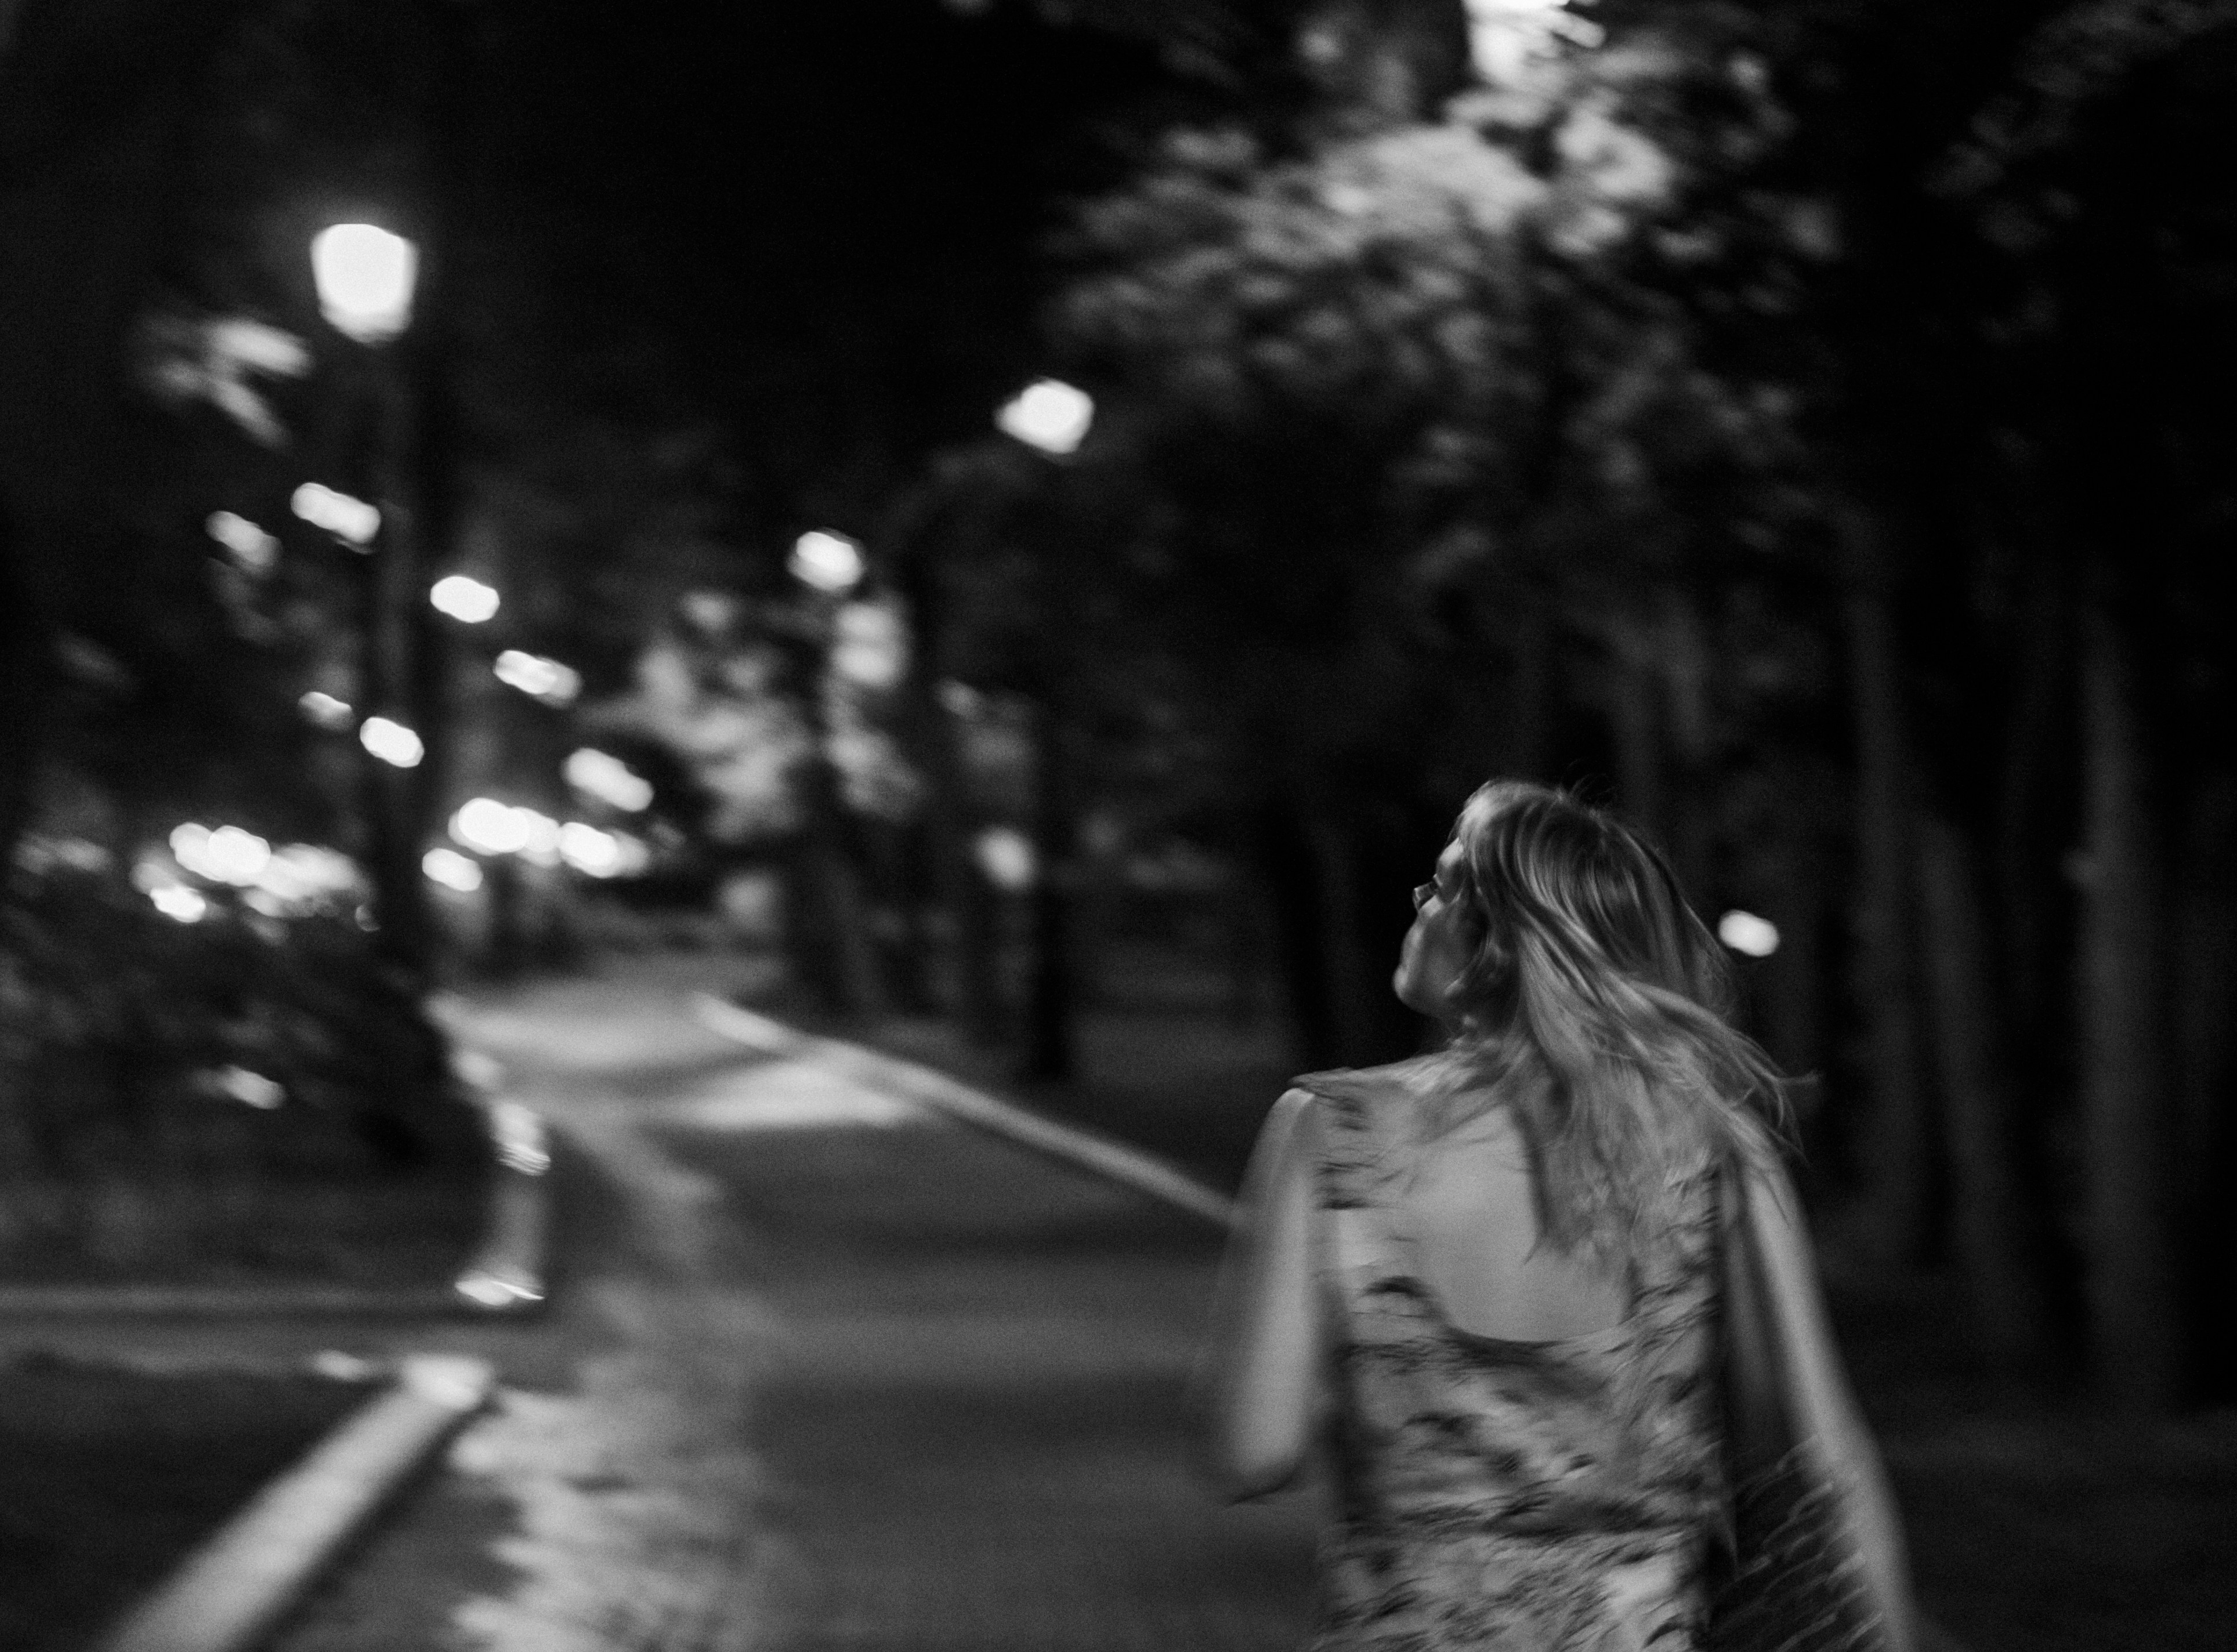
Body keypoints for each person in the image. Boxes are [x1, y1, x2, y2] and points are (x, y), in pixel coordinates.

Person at [1196, 779, 1915, 1651]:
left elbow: (1248, 1450)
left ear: (1497, 943)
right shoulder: (1714, 1158)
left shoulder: (1331, 1135)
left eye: (1445, 881)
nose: (1419, 901)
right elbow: (1824, 1460)